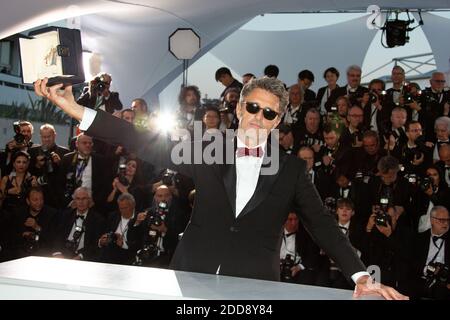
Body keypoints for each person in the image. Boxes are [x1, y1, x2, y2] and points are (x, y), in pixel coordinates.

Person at [35, 77, 408, 299]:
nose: (259, 118)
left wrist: (362, 277)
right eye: (254, 107)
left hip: (254, 287)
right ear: (240, 108)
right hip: (190, 275)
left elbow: (323, 225)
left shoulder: (292, 169)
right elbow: (143, 140)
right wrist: (77, 111)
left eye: (270, 113)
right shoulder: (208, 147)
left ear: (278, 121)